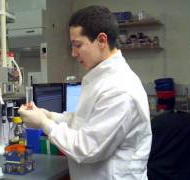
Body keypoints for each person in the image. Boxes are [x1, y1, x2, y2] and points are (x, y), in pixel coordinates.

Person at [18, 5, 152, 180]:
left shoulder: (119, 88)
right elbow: (84, 122)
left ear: (102, 40)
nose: (73, 53)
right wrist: (50, 116)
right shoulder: (100, 77)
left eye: (78, 45)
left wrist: (44, 124)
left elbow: (88, 149)